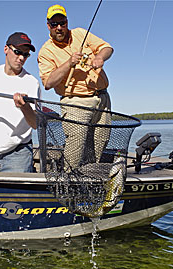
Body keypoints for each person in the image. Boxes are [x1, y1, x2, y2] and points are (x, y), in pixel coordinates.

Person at [38, 4, 114, 172]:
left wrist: (100, 57)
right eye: (54, 24)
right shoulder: (46, 51)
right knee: (76, 145)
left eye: (62, 23)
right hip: (76, 102)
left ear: (67, 22)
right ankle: (69, 180)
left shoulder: (80, 33)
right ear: (48, 25)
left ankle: (93, 176)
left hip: (102, 98)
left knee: (101, 142)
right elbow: (48, 83)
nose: (59, 27)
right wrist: (69, 63)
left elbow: (107, 48)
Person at [0, 32, 41, 173]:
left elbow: (34, 123)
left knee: (15, 195)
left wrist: (24, 107)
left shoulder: (32, 83)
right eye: (17, 52)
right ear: (5, 49)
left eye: (26, 55)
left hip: (18, 154)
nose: (21, 58)